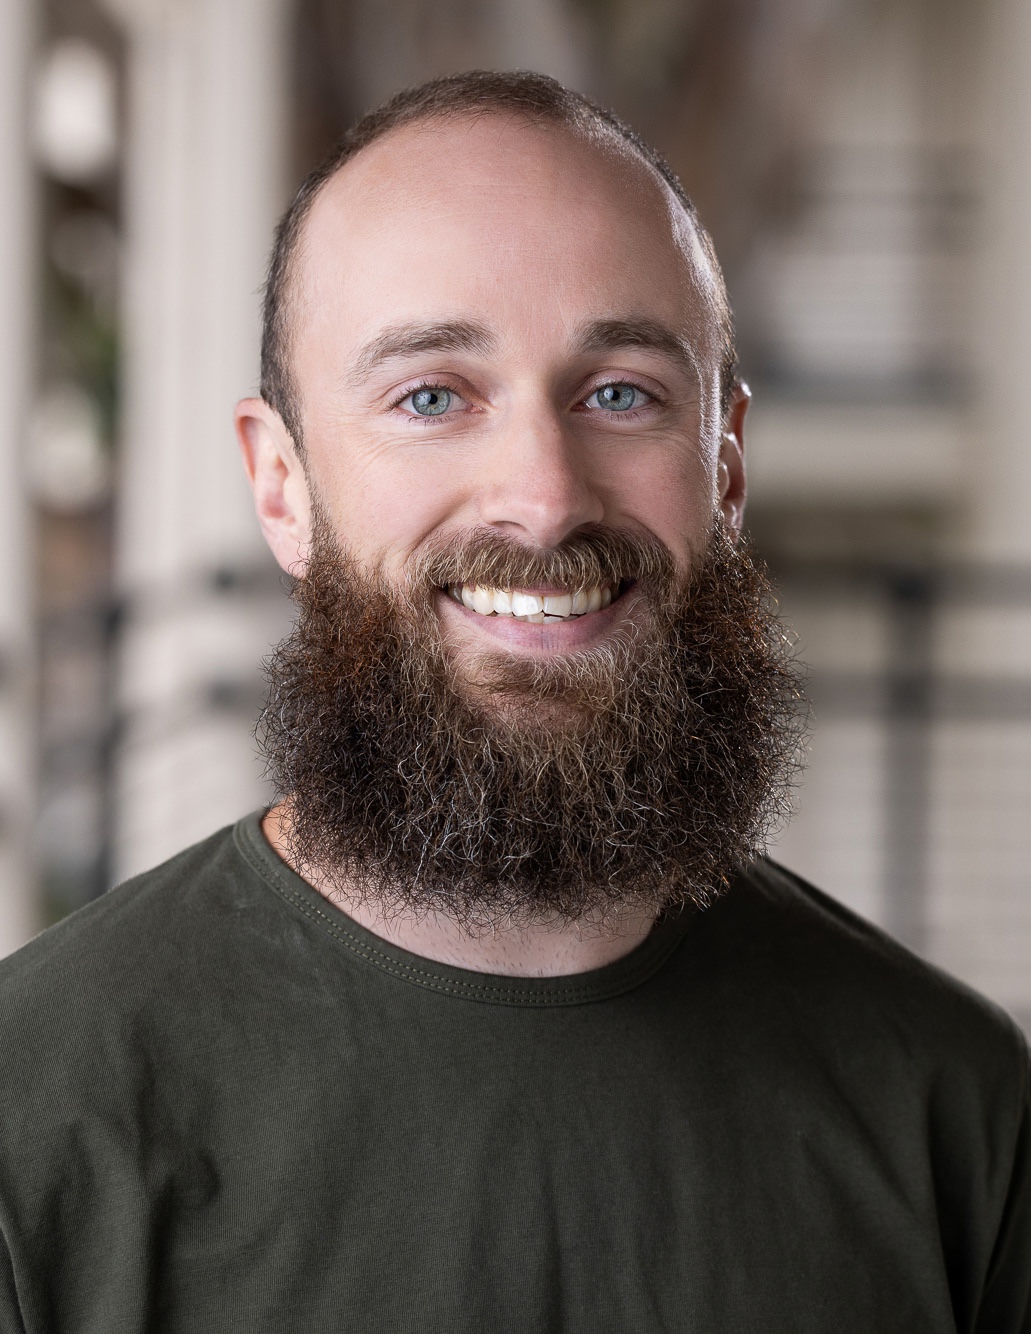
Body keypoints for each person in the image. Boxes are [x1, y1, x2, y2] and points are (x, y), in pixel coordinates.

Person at [0, 70, 1028, 1332]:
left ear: (725, 466)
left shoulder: (954, 1115)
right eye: (431, 396)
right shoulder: (31, 1115)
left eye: (619, 392)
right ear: (280, 485)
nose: (542, 500)